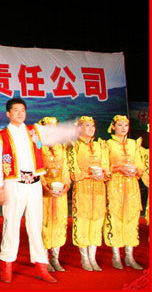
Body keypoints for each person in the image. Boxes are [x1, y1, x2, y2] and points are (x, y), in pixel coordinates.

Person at [0, 98, 78, 284]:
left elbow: (56, 133)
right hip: (14, 183)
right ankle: (7, 265)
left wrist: (75, 129)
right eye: (15, 110)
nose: (20, 113)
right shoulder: (1, 136)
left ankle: (41, 266)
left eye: (23, 110)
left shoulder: (34, 131)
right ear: (8, 113)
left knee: (36, 225)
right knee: (11, 225)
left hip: (35, 183)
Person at [103, 115, 146, 270]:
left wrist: (136, 171)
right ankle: (116, 256)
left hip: (132, 185)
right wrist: (119, 168)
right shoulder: (108, 144)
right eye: (120, 125)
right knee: (115, 217)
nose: (123, 128)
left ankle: (129, 256)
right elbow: (105, 166)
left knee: (132, 218)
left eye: (125, 125)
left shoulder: (134, 144)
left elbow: (140, 166)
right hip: (115, 184)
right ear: (113, 127)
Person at [66, 116, 108, 272]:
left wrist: (103, 173)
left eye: (92, 125)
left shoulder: (100, 145)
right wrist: (89, 175)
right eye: (87, 125)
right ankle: (84, 257)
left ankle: (93, 257)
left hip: (99, 189)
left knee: (97, 220)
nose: (91, 128)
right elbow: (74, 172)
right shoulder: (74, 146)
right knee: (83, 221)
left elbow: (106, 167)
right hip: (83, 188)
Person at [38, 117, 70, 273]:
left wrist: (66, 185)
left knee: (59, 222)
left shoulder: (61, 147)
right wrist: (45, 187)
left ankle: (55, 258)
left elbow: (65, 168)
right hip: (44, 192)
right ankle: (44, 258)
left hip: (59, 192)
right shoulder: (38, 146)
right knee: (44, 223)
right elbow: (37, 169)